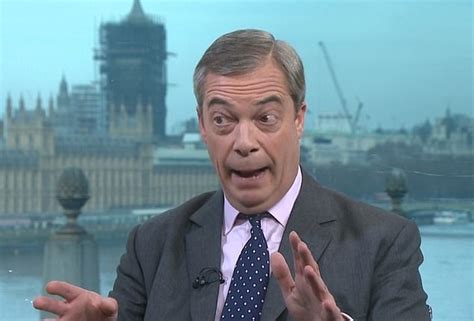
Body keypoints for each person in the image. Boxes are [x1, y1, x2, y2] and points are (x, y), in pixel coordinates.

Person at [33, 29, 430, 321]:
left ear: (299, 120)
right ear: (202, 126)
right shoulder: (150, 246)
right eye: (223, 119)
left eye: (265, 118)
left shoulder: (384, 243)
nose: (244, 142)